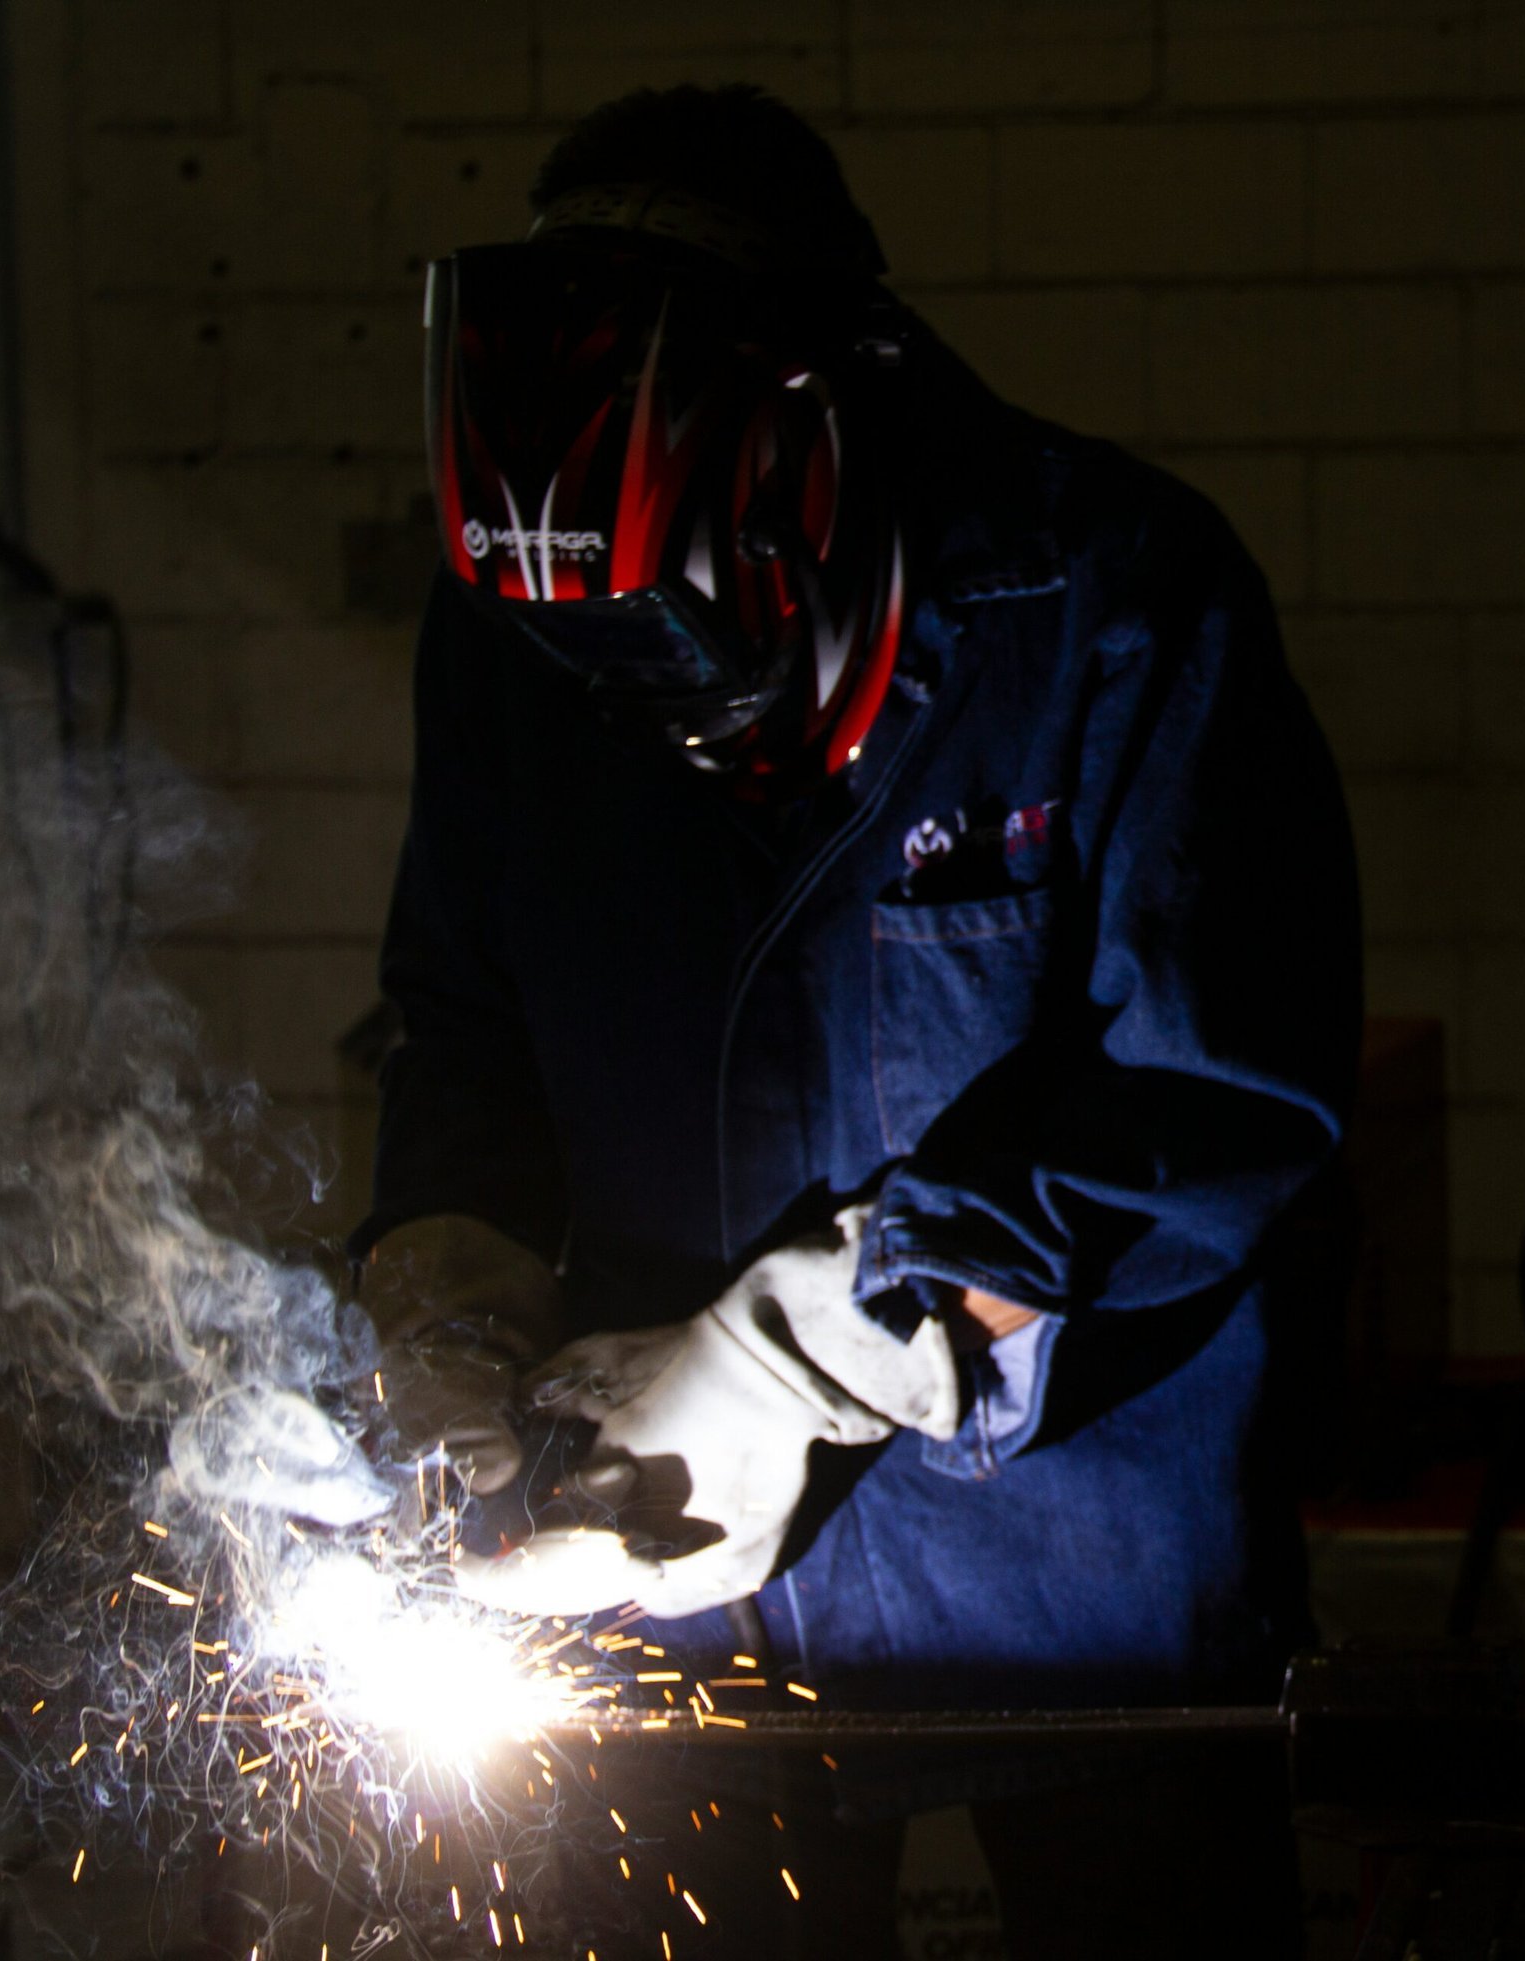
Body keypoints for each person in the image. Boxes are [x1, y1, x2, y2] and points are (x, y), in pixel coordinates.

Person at [351, 84, 1361, 1959]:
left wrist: (817, 1352)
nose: (636, 695)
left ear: (816, 431)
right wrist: (452, 1300)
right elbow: (461, 1024)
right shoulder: (509, 629)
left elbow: (1217, 1101)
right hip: (672, 1574)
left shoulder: (1117, 602)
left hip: (1079, 1591)